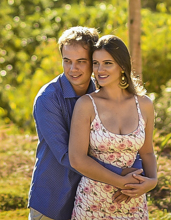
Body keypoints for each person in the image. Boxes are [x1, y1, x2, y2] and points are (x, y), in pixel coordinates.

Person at [29, 27, 149, 220]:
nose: (72, 69)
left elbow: (126, 140)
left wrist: (135, 176)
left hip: (96, 196)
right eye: (67, 61)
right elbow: (68, 156)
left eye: (81, 61)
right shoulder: (48, 99)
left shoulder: (102, 92)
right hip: (54, 200)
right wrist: (121, 176)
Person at [69, 35, 158, 220]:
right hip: (92, 202)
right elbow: (77, 159)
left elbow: (148, 152)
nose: (100, 70)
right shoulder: (86, 104)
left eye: (107, 63)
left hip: (132, 201)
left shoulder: (144, 105)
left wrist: (152, 181)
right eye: (96, 63)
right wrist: (122, 182)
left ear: (122, 65)